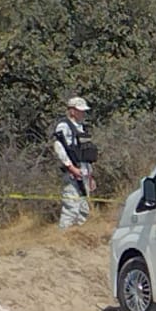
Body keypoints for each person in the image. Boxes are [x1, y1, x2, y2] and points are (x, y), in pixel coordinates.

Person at [52, 95, 99, 229]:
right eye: (80, 110)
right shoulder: (64, 126)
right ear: (72, 110)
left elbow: (85, 153)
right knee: (71, 208)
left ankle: (78, 237)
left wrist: (90, 176)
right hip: (73, 172)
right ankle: (63, 239)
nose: (83, 113)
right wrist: (71, 167)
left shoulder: (82, 127)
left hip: (84, 172)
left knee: (83, 209)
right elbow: (59, 147)